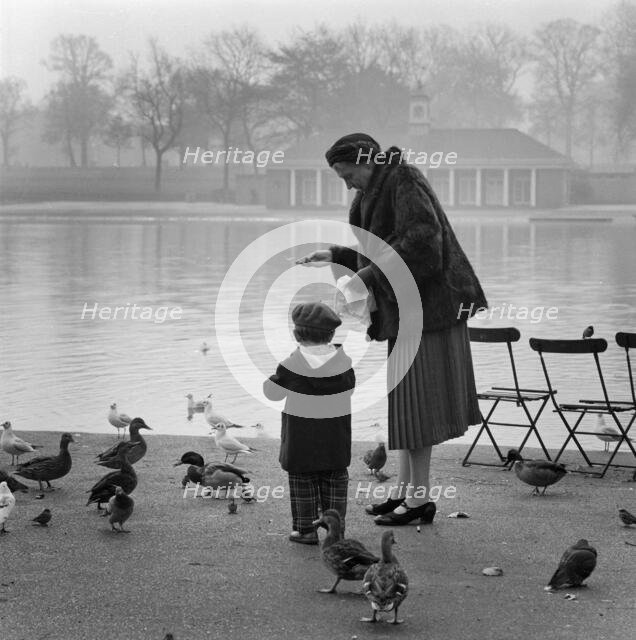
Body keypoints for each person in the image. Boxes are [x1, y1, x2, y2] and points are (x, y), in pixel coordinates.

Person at [296, 132, 487, 526]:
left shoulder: (404, 180)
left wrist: (365, 275)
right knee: (406, 406)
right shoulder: (373, 191)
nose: (347, 184)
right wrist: (334, 255)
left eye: (348, 174)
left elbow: (421, 245)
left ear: (367, 162)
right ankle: (405, 491)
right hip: (407, 311)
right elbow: (380, 249)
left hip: (432, 311)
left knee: (419, 407)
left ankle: (419, 501)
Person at [263, 301, 356, 544]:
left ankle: (305, 530)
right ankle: (336, 532)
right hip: (335, 441)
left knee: (303, 484)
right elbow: (350, 390)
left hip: (301, 442)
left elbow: (272, 393)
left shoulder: (291, 365)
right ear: (331, 334)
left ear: (297, 334)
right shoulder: (343, 363)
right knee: (335, 484)